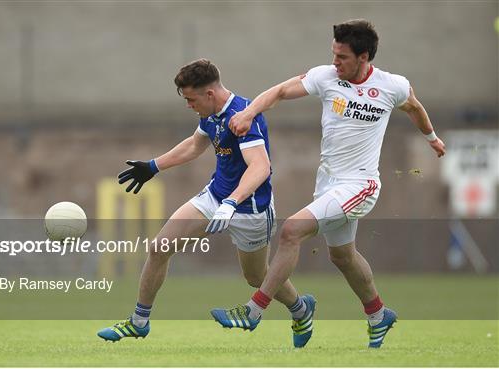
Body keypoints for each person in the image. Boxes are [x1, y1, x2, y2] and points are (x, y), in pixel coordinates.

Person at [211, 19, 446, 348]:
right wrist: (249, 112)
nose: (335, 62)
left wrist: (432, 138)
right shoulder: (326, 77)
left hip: (360, 186)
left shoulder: (392, 85)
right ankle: (378, 314)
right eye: (333, 54)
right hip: (329, 185)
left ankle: (252, 311)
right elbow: (279, 91)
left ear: (364, 57)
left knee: (292, 230)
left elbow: (415, 107)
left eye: (342, 57)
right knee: (343, 257)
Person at [97, 59, 316, 348]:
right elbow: (194, 144)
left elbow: (260, 167)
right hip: (215, 197)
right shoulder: (211, 114)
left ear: (210, 94)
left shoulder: (241, 116)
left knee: (257, 277)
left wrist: (232, 202)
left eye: (191, 99)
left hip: (250, 209)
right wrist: (152, 166)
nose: (189, 105)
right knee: (160, 247)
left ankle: (301, 309)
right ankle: (139, 322)